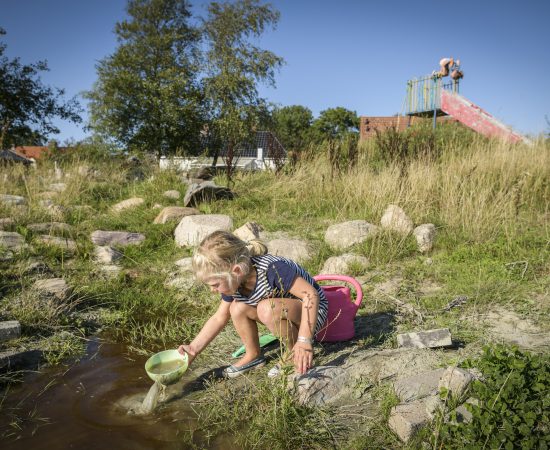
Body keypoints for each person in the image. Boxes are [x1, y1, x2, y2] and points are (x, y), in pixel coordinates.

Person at [177, 230, 329, 378]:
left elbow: (310, 295)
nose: (212, 290)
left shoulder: (272, 269)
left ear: (236, 271)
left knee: (266, 309)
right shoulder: (234, 281)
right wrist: (192, 350)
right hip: (284, 312)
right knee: (236, 308)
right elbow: (219, 318)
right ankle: (253, 355)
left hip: (313, 313)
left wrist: (304, 340)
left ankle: (294, 352)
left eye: (215, 284)